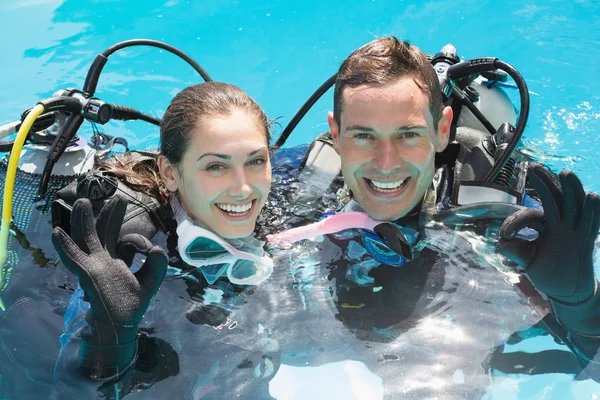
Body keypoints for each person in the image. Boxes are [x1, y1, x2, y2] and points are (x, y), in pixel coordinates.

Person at [265, 37, 600, 397]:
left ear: (442, 130)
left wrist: (579, 304)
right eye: (364, 136)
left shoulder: (518, 217)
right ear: (336, 132)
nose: (386, 162)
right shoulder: (294, 180)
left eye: (408, 134)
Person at [47, 81, 280, 398]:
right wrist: (111, 333)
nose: (243, 189)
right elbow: (71, 390)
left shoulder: (273, 207)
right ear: (169, 173)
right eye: (215, 166)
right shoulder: (128, 250)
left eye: (255, 161)